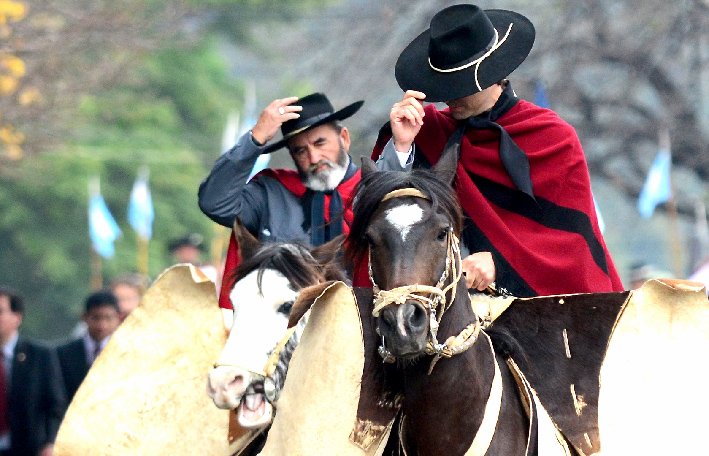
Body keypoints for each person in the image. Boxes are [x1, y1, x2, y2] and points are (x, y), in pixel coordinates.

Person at [371, 4, 624, 297]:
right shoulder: (427, 133)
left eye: (459, 85)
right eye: (444, 86)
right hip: (440, 305)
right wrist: (402, 145)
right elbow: (387, 216)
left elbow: (570, 242)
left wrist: (500, 263)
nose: (449, 97)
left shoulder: (554, 137)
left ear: (492, 75)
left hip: (545, 308)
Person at [198, 92, 365, 309]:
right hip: (283, 331)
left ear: (344, 138)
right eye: (300, 151)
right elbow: (214, 202)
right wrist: (255, 138)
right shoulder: (270, 193)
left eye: (320, 143)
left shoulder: (376, 193)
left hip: (362, 330)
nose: (314, 158)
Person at [0, 286, 65, 456]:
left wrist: (51, 442)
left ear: (17, 317)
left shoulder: (40, 356)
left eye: (0, 311)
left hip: (27, 448)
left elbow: (55, 404)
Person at [56, 290, 120, 403]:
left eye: (108, 318)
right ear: (84, 317)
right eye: (96, 318)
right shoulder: (63, 354)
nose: (102, 326)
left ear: (118, 318)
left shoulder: (128, 354)